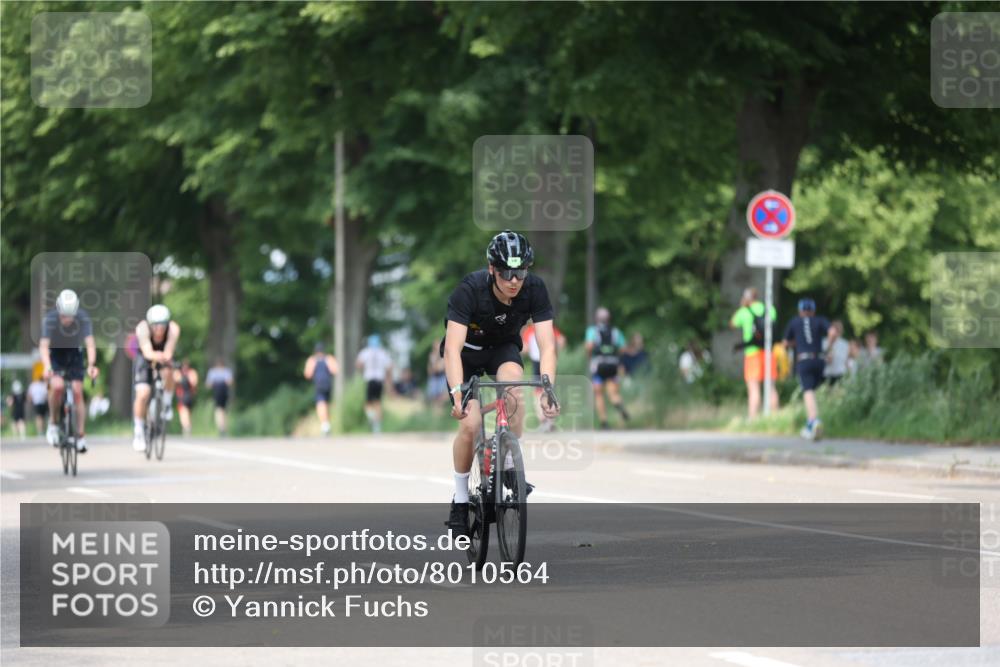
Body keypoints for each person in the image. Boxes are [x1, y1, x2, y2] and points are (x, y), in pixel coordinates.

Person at [441, 230, 560, 535]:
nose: (514, 280)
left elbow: (547, 346)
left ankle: (507, 465)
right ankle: (461, 498)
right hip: (466, 354)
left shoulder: (534, 289)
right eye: (506, 272)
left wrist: (548, 389)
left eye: (520, 272)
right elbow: (452, 348)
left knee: (514, 392)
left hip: (502, 350)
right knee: (469, 425)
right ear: (492, 269)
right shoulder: (469, 290)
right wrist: (457, 395)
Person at [39, 289, 99, 453]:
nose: (67, 319)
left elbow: (90, 343)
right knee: (57, 386)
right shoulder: (50, 319)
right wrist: (47, 366)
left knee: (78, 391)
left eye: (71, 315)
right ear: (58, 310)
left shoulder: (83, 318)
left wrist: (92, 364)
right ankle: (52, 423)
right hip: (56, 356)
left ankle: (80, 436)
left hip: (74, 354)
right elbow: (44, 346)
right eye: (64, 315)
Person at [131, 304, 181, 452]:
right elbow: (147, 351)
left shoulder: (173, 328)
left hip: (163, 355)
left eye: (163, 325)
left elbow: (169, 349)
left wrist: (165, 358)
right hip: (145, 357)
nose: (159, 329)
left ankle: (166, 403)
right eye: (156, 326)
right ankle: (138, 430)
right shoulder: (142, 328)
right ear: (150, 324)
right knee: (143, 393)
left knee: (170, 372)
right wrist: (156, 357)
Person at [783, 298, 830, 440]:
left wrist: (795, 342)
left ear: (800, 310)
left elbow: (785, 343)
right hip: (819, 360)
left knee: (808, 391)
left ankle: (813, 421)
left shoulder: (794, 322)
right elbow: (833, 332)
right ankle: (811, 423)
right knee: (815, 390)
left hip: (804, 360)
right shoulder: (820, 320)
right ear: (813, 311)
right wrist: (829, 348)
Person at [730, 287, 779, 419]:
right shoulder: (769, 309)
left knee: (753, 388)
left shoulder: (743, 311)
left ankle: (753, 419)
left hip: (752, 354)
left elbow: (732, 324)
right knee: (771, 387)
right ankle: (775, 419)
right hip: (768, 352)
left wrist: (742, 306)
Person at [585, 307, 629, 429]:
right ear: (608, 319)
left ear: (596, 318)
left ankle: (604, 422)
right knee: (613, 392)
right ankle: (618, 403)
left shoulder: (592, 331)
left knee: (599, 394)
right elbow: (623, 348)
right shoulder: (616, 332)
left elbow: (589, 347)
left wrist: (589, 358)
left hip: (598, 365)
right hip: (612, 365)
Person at [522, 322, 566, 431]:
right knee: (549, 389)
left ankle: (542, 419)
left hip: (536, 362)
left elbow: (525, 348)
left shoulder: (530, 330)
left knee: (538, 392)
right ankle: (550, 420)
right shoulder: (548, 327)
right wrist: (556, 352)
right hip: (550, 360)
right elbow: (561, 340)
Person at [356, 334, 393, 433]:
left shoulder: (365, 352)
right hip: (379, 380)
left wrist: (362, 369)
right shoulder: (383, 352)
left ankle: (372, 418)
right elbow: (389, 366)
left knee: (368, 403)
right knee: (378, 403)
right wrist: (388, 379)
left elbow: (358, 364)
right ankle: (377, 426)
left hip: (370, 379)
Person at [304, 343, 338, 435]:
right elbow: (335, 370)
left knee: (321, 404)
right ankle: (326, 425)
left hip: (319, 385)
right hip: (327, 384)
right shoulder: (329, 359)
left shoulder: (312, 360)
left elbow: (307, 374)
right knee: (326, 404)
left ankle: (325, 425)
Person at [206, 358, 235, 436]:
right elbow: (209, 384)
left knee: (221, 410)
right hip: (218, 392)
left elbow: (230, 382)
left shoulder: (222, 371)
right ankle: (222, 428)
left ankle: (223, 428)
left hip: (223, 392)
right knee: (220, 410)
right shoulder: (216, 372)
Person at [174, 358, 199, 437]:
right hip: (182, 394)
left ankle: (186, 427)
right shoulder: (179, 372)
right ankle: (186, 426)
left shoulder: (191, 373)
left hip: (187, 394)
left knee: (184, 411)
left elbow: (194, 383)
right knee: (185, 411)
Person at [823, 320, 850, 385]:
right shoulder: (823, 342)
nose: (835, 332)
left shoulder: (845, 344)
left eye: (838, 330)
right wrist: (830, 344)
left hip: (839, 375)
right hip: (825, 375)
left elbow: (845, 360)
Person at [426, 339, 448, 407]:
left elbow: (440, 368)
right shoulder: (432, 355)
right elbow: (430, 369)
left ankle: (439, 409)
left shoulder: (443, 354)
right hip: (434, 377)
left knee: (442, 395)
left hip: (442, 376)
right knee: (433, 396)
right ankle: (435, 410)